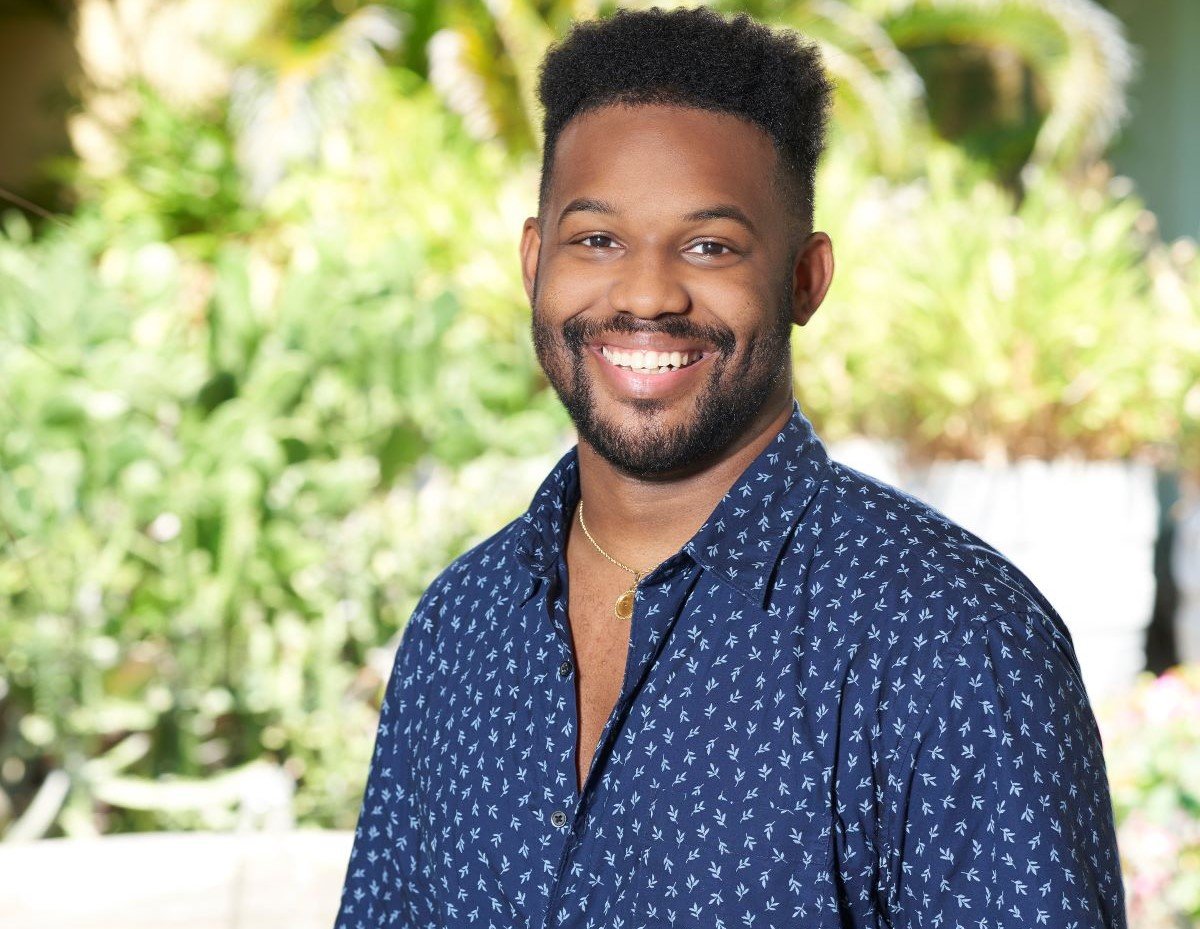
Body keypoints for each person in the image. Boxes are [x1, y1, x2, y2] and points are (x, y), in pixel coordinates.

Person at [333, 6, 1128, 928]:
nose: (644, 294)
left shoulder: (950, 642)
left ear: (805, 280)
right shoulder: (458, 625)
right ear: (534, 259)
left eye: (710, 245)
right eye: (596, 238)